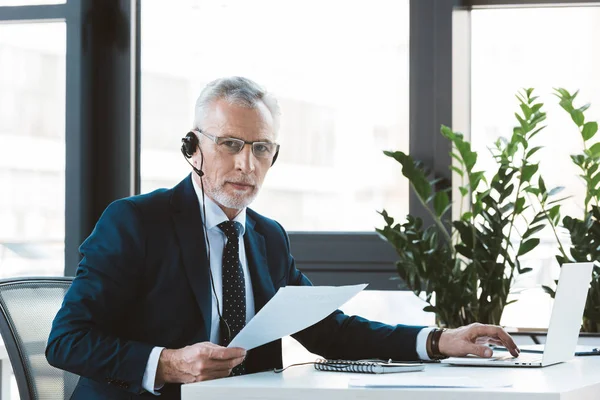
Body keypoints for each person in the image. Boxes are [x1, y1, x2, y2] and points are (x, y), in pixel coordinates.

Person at [46, 77, 519, 399]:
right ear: (193, 148)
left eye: (262, 149)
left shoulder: (267, 238)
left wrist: (438, 340)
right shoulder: (134, 222)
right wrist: (166, 364)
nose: (246, 165)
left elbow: (329, 332)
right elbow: (66, 341)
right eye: (230, 144)